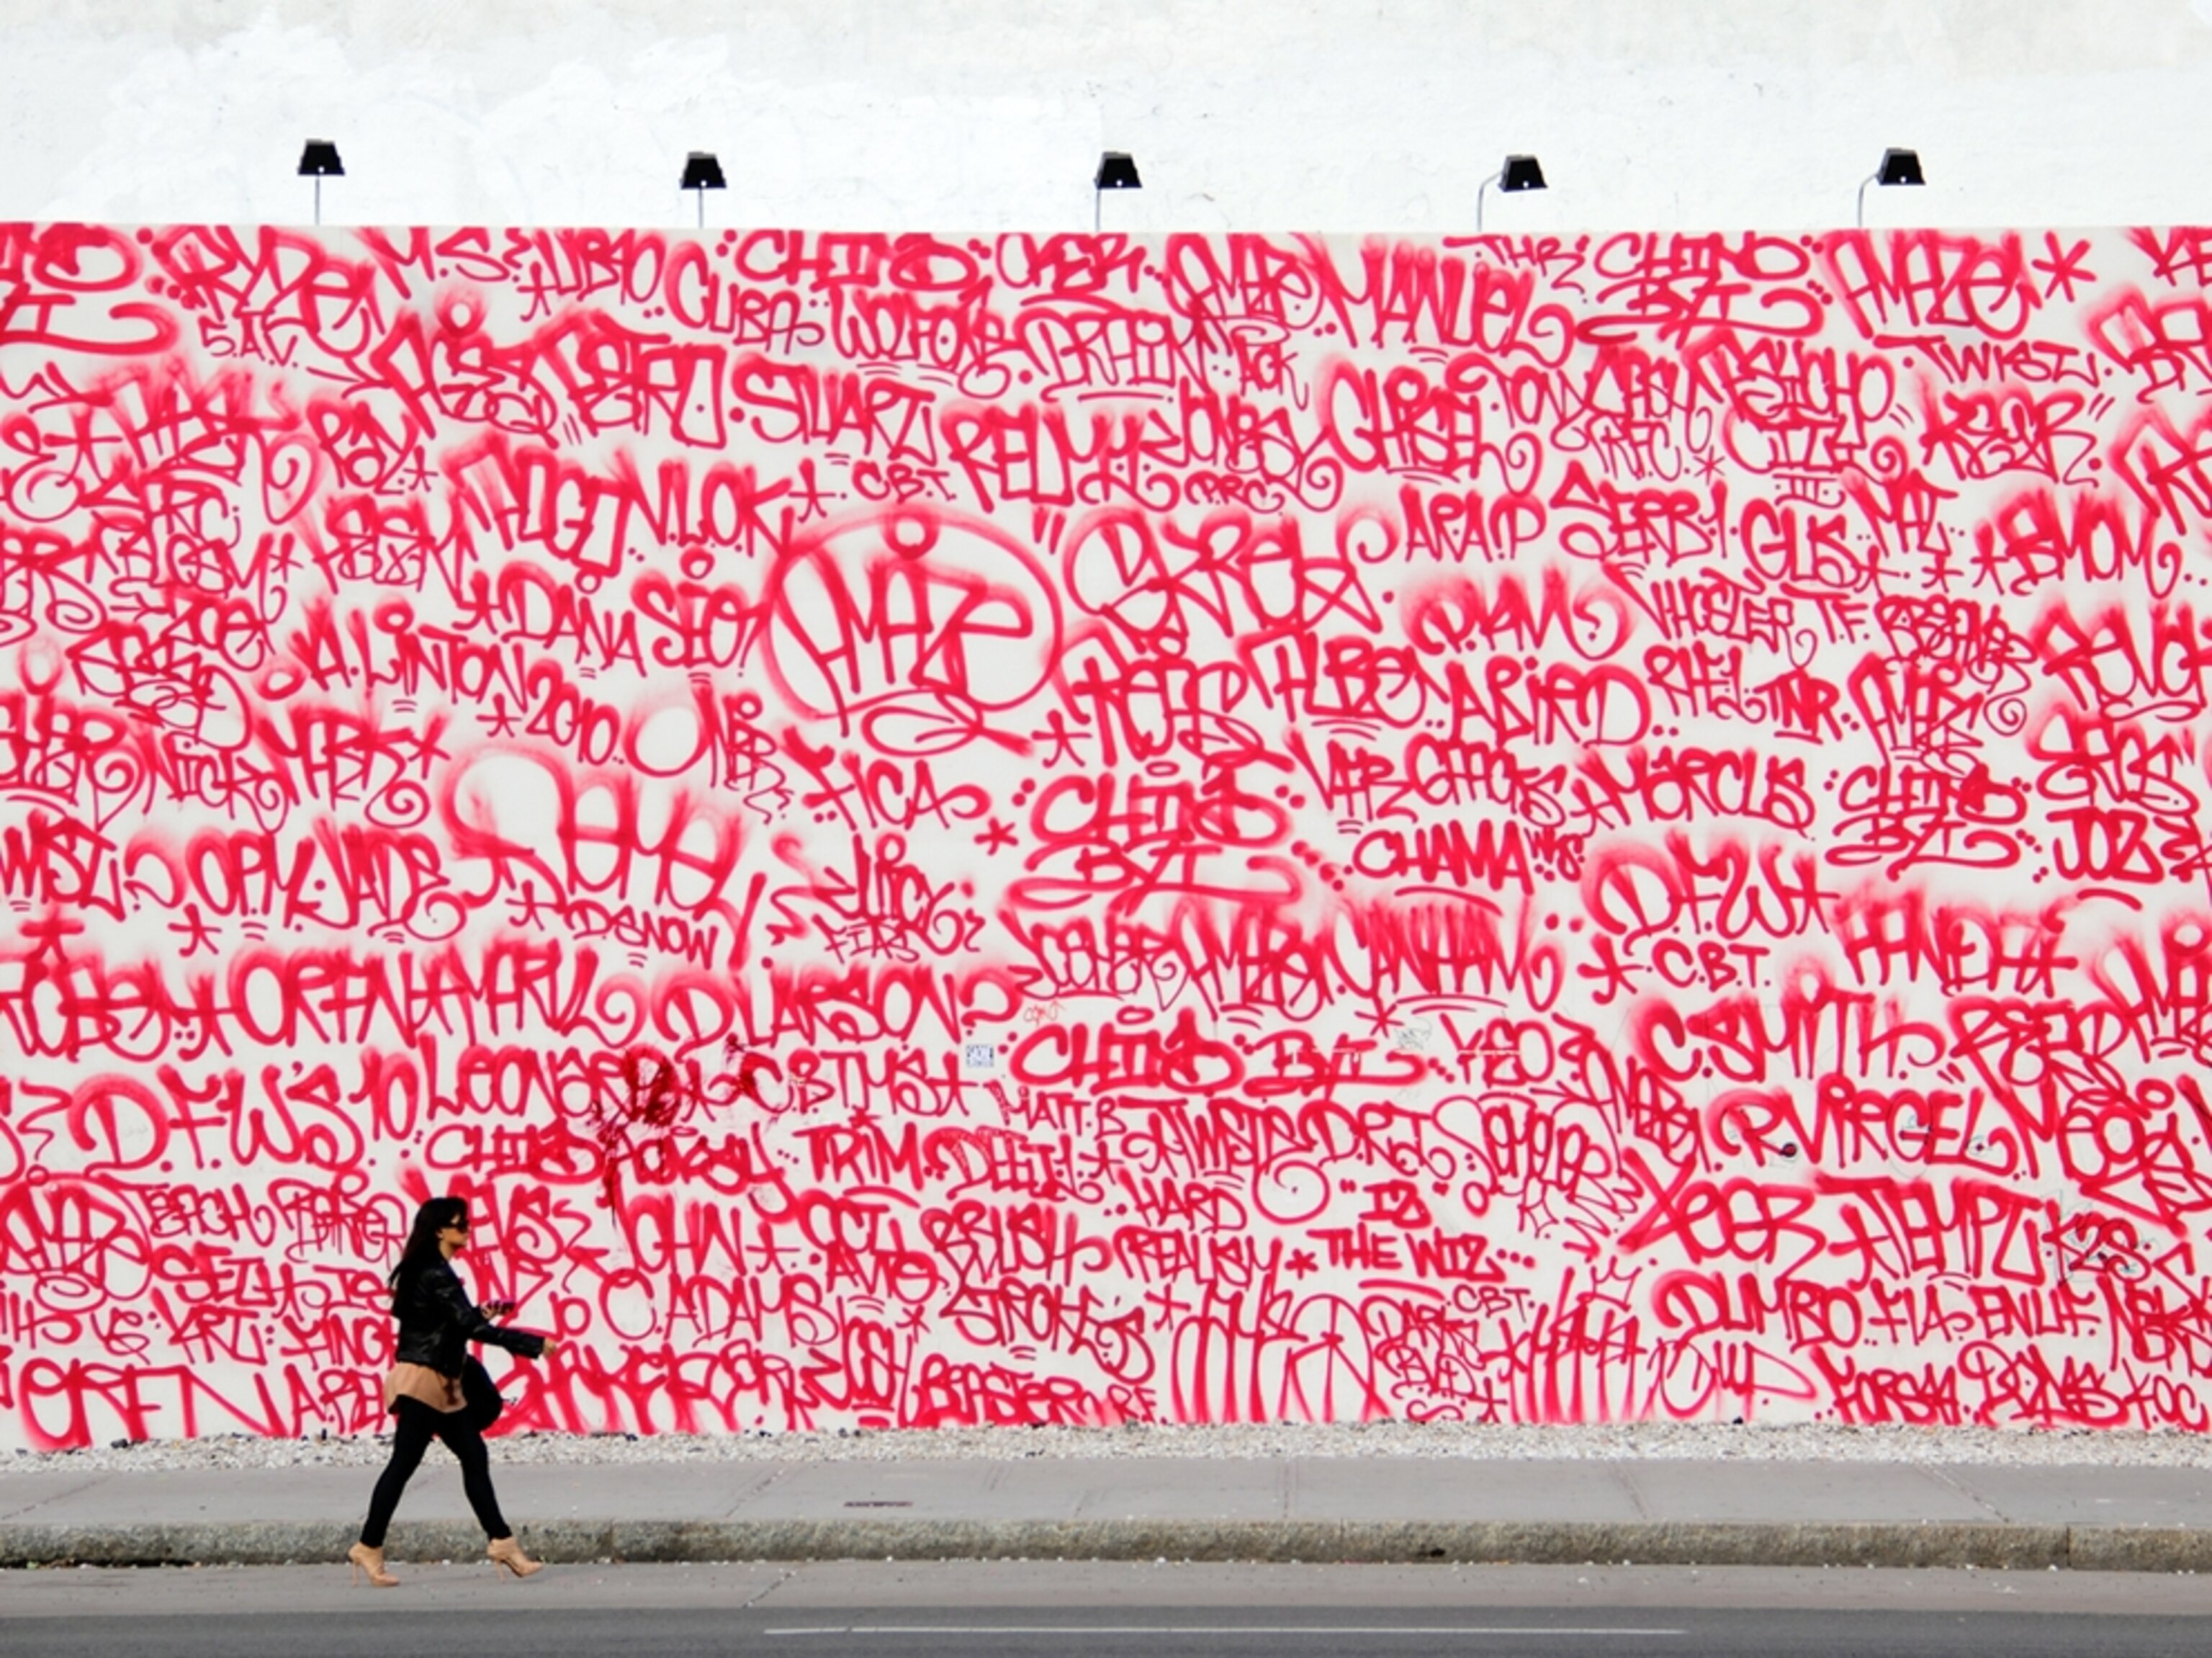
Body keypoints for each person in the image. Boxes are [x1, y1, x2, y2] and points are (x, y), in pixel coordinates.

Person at [349, 1196, 558, 1587]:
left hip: (438, 1380)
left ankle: (502, 1542)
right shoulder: (435, 1273)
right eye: (461, 1225)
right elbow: (467, 1329)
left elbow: (448, 1324)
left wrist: (480, 1313)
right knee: (405, 1464)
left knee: (472, 1455)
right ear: (441, 1230)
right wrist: (530, 1344)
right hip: (426, 1383)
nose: (468, 1230)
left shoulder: (426, 1270)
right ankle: (368, 1546)